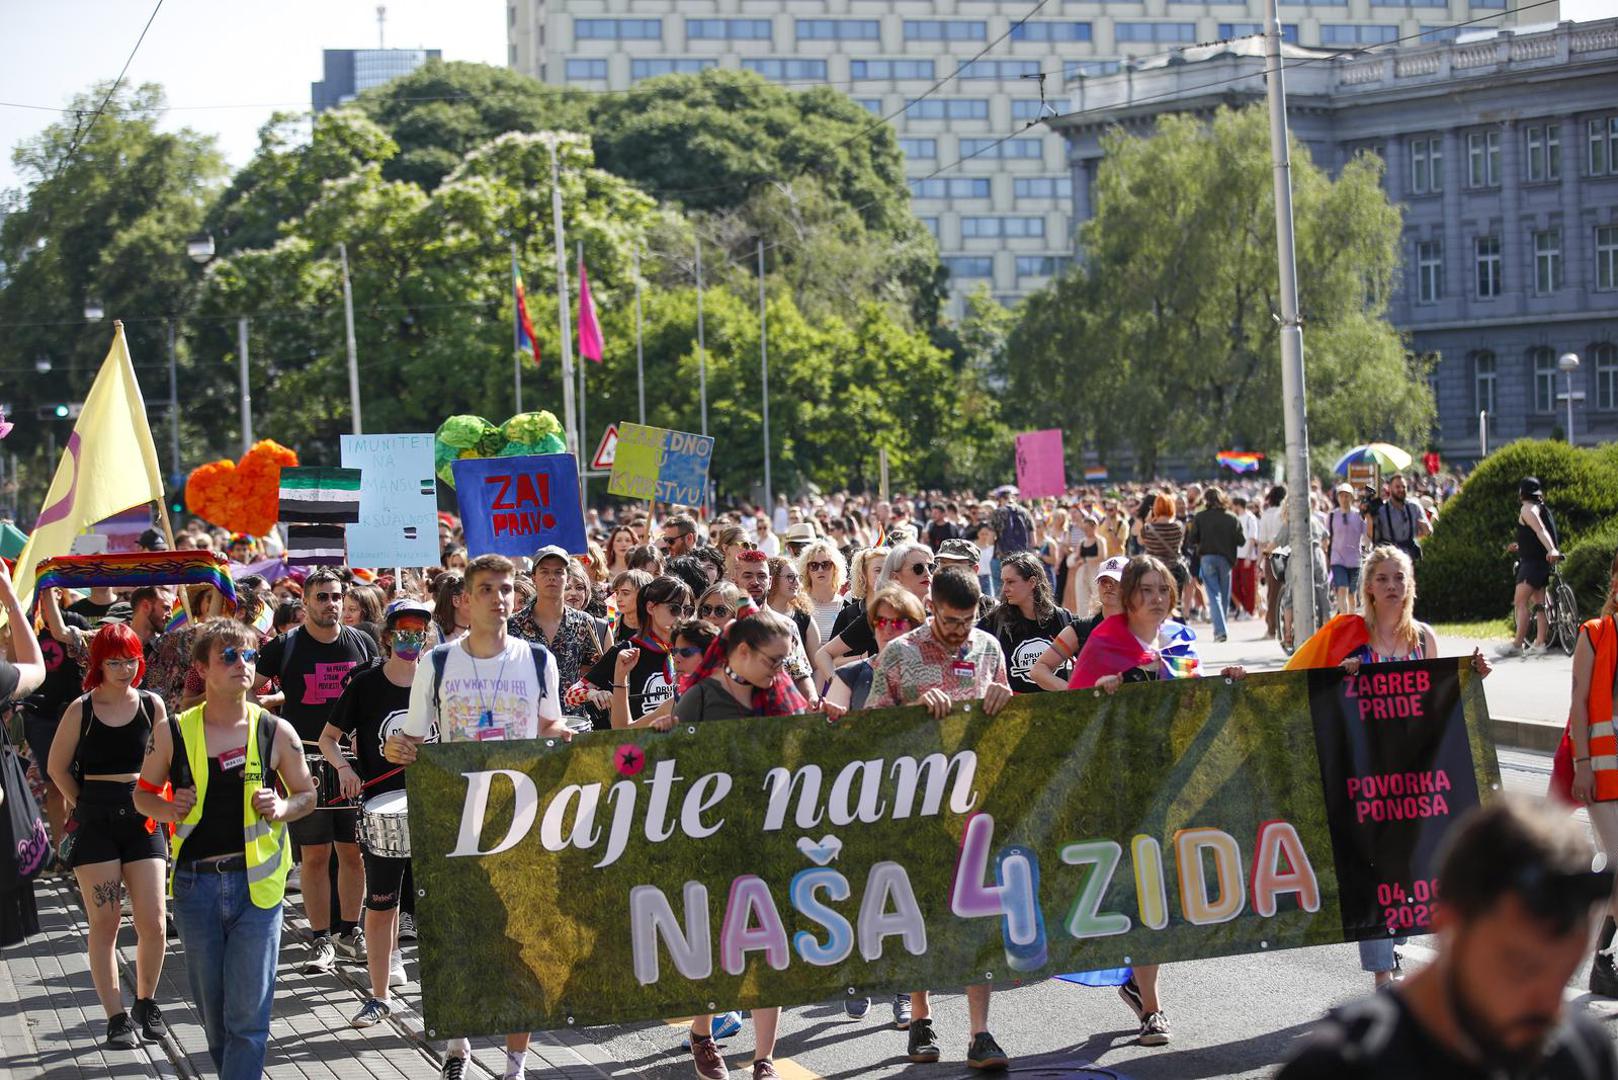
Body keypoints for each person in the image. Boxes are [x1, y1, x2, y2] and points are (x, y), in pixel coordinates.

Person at [1276, 797, 1618, 1080]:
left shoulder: (1580, 1056)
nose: (1549, 1007)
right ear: (1446, 924)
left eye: (1564, 976)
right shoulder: (1339, 1067)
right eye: (1522, 969)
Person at [384, 554, 565, 1080]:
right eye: (485, 588)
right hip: (455, 815)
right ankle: (459, 1047)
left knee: (523, 942)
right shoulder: (437, 662)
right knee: (458, 936)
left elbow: (549, 725)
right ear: (463, 599)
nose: (498, 598)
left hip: (523, 817)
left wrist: (566, 736)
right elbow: (414, 736)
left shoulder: (536, 659)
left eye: (506, 588)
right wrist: (398, 748)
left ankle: (515, 1064)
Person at [1286, 545, 1491, 986]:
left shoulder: (1424, 639)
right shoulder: (1348, 637)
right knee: (1374, 871)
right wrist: (1340, 679)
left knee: (1414, 867)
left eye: (1399, 578)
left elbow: (1441, 701)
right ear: (1368, 588)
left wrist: (1470, 676)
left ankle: (1402, 943)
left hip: (1419, 779)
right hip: (1366, 780)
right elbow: (1297, 684)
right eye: (1383, 579)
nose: (1392, 586)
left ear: (1410, 584)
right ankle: (1382, 978)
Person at [1068, 554, 1245, 1047]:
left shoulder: (1179, 638)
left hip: (1173, 780)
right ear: (1127, 596)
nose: (1154, 598)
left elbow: (1195, 698)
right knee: (1140, 892)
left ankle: (1140, 988)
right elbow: (1075, 717)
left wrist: (1225, 679)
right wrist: (1103, 694)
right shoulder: (1105, 642)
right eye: (1144, 589)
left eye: (1162, 589)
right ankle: (1151, 1007)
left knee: (1159, 893)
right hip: (1120, 781)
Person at [134, 618, 318, 1080]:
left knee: (249, 1018)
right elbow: (142, 795)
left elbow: (307, 795)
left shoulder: (275, 731)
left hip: (258, 889)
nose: (243, 665)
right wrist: (168, 807)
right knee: (215, 1019)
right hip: (195, 890)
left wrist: (282, 804)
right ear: (202, 668)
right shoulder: (174, 731)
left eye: (249, 655)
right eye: (229, 656)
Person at [869, 567, 1013, 1070]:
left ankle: (981, 1032)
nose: (959, 631)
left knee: (977, 915)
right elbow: (868, 730)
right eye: (951, 620)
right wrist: (910, 712)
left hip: (975, 804)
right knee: (920, 914)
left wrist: (1004, 698)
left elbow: (1008, 719)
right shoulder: (901, 653)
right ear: (931, 606)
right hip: (916, 805)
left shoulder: (988, 648)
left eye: (968, 620)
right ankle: (920, 1018)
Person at [671, 609, 808, 1080]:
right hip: (713, 840)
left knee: (770, 947)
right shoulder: (702, 698)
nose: (779, 671)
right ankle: (702, 1033)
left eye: (784, 661)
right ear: (742, 653)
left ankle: (764, 1058)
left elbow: (806, 747)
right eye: (773, 661)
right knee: (718, 944)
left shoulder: (783, 695)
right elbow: (672, 766)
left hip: (771, 836)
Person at [47, 622, 171, 1049]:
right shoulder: (81, 708)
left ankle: (146, 1002)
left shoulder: (152, 705)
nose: (123, 669)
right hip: (96, 820)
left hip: (143, 818)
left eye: (131, 660)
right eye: (114, 662)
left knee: (154, 920)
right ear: (99, 663)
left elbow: (171, 761)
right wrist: (84, 803)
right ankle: (115, 1015)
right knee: (106, 920)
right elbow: (56, 767)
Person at [252, 568, 379, 973]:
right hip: (303, 762)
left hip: (351, 763)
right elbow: (248, 693)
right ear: (305, 601)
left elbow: (374, 696)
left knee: (353, 854)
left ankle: (349, 932)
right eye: (322, 597)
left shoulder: (363, 642)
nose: (331, 604)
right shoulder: (284, 646)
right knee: (315, 856)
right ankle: (320, 938)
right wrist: (273, 725)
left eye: (337, 596)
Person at [321, 600, 431, 1027]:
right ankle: (379, 995)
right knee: (382, 901)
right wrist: (346, 768)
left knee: (439, 905)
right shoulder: (365, 685)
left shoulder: (437, 681)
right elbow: (328, 738)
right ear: (387, 636)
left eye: (420, 630)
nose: (412, 637)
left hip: (433, 804)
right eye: (404, 629)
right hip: (383, 806)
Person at [1567, 548, 1618, 997]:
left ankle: (1602, 960)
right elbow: (1579, 703)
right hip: (1602, 773)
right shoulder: (1595, 633)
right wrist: (1581, 763)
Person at [568, 575, 694, 729]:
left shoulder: (687, 651)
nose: (682, 616)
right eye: (674, 608)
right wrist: (592, 694)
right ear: (651, 607)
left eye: (688, 610)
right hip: (635, 745)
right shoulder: (625, 651)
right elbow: (570, 695)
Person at [508, 545, 605, 728]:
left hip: (573, 723)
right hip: (526, 725)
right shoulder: (511, 625)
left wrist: (590, 692)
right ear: (534, 577)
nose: (552, 577)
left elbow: (591, 674)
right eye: (544, 571)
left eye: (558, 572)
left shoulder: (584, 623)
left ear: (566, 577)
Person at [822, 584, 925, 721]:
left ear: (915, 627)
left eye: (897, 623)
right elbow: (826, 735)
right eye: (881, 622)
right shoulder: (850, 675)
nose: (888, 630)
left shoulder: (932, 669)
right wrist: (833, 720)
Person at [980, 552, 1072, 695]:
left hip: (1058, 710)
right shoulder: (994, 621)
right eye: (1003, 581)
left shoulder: (1062, 618)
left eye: (1010, 582)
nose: (1004, 588)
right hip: (1013, 712)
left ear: (1032, 582)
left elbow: (1092, 657)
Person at [1031, 556, 1127, 691]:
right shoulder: (1081, 629)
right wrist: (1074, 694)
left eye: (1117, 581)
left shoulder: (1144, 629)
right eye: (1104, 581)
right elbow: (1039, 670)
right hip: (1094, 709)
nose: (1109, 586)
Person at [1500, 476, 1562, 657]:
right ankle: (1540, 643)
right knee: (1539, 604)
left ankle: (1518, 644)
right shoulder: (1541, 508)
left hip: (1531, 564)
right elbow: (1535, 536)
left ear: (1521, 493)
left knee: (1520, 602)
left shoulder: (1527, 509)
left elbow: (1540, 530)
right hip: (1541, 562)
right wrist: (1521, 546)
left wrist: (1552, 549)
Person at [1188, 487, 1241, 643]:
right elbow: (1241, 540)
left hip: (1207, 557)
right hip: (1226, 559)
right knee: (1224, 595)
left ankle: (1220, 630)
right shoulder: (1231, 517)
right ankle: (1221, 629)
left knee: (1214, 595)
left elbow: (1192, 539)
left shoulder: (1200, 517)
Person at [1325, 483, 1368, 617]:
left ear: (1352, 498)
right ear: (1338, 498)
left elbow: (1366, 536)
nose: (1344, 499)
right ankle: (1344, 619)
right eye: (1342, 495)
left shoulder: (1359, 516)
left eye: (1347, 496)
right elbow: (1327, 536)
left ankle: (1351, 619)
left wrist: (1366, 549)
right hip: (1337, 559)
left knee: (1352, 594)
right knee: (1342, 589)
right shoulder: (1331, 516)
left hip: (1354, 560)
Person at [1370, 473, 1430, 564]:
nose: (1401, 489)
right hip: (1389, 559)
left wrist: (1425, 528)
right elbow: (1372, 536)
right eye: (1397, 487)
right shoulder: (1381, 511)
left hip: (1411, 558)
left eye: (1404, 487)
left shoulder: (1414, 507)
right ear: (1390, 488)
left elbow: (1428, 531)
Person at [797, 538, 848, 647]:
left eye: (826, 564)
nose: (820, 570)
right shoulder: (799, 604)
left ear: (835, 568)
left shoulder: (845, 605)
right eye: (814, 565)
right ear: (807, 570)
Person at [1259, 485, 1287, 637]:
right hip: (1288, 554)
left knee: (1272, 594)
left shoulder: (1267, 515)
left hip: (1271, 556)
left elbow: (1262, 541)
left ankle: (1272, 628)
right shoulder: (1286, 513)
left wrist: (1259, 563)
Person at [1232, 494, 1261, 620]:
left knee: (1249, 585)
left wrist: (1249, 556)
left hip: (1248, 557)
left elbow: (1253, 538)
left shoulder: (1250, 518)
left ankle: (1250, 611)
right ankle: (1243, 608)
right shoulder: (1235, 518)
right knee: (1234, 586)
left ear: (1238, 505)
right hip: (1235, 557)